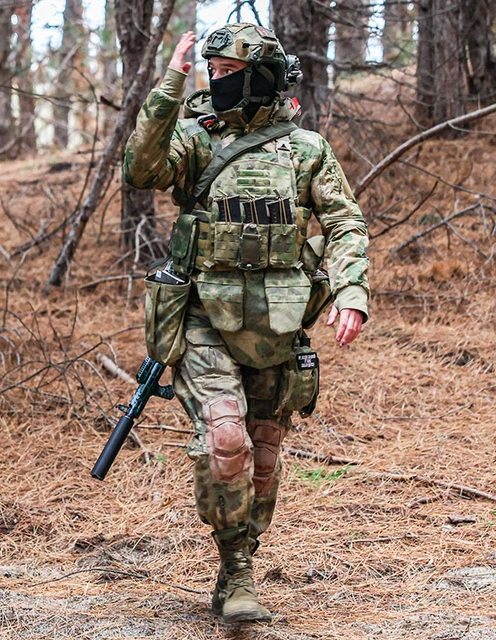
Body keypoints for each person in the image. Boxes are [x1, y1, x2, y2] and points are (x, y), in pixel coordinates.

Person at [123, 24, 370, 622]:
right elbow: (141, 168)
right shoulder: (196, 139)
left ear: (260, 76)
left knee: (263, 452)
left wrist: (352, 289)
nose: (218, 82)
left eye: (230, 74)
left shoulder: (306, 149)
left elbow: (345, 223)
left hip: (278, 324)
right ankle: (236, 570)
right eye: (214, 73)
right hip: (205, 317)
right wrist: (171, 81)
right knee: (225, 439)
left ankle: (240, 562)